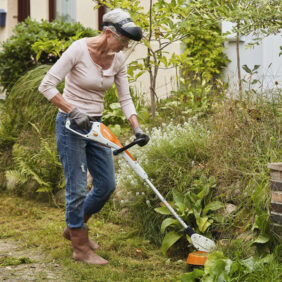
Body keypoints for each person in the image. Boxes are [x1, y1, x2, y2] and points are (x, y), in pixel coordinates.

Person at [38, 8, 149, 265]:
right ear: (108, 33)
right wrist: (72, 110)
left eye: (127, 43)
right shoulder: (78, 50)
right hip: (71, 124)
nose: (123, 47)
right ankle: (80, 247)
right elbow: (46, 85)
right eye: (122, 41)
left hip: (96, 127)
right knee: (76, 187)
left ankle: (73, 228)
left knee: (107, 184)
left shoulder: (117, 59)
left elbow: (125, 98)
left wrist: (137, 127)